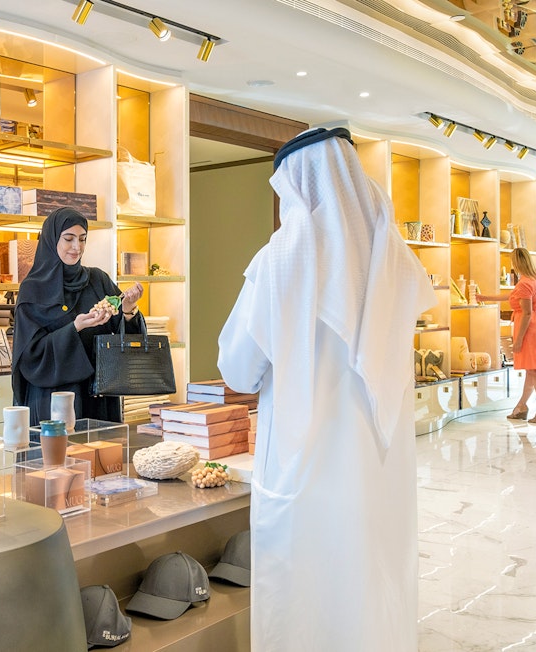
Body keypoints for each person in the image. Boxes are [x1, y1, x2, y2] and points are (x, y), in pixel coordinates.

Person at [217, 127, 435, 651]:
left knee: (308, 600)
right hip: (378, 471)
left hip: (305, 471)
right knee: (371, 588)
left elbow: (237, 370)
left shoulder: (282, 260)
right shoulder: (396, 260)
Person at [12, 207, 144, 425]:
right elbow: (29, 356)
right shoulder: (33, 290)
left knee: (103, 457)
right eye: (69, 239)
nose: (77, 247)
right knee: (59, 458)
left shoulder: (98, 280)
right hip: (54, 400)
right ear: (51, 239)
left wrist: (128, 309)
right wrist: (75, 328)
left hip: (99, 394)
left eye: (82, 239)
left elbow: (127, 339)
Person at [477, 247, 536, 423]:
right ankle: (522, 407)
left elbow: (527, 312)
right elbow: (513, 295)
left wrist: (518, 340)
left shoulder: (525, 283)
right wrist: (486, 298)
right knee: (532, 369)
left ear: (516, 263)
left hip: (532, 328)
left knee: (535, 370)